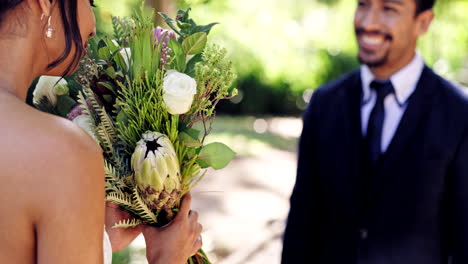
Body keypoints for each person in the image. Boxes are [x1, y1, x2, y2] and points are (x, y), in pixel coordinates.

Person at [0, 0, 202, 263]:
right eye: (90, 2)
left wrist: (99, 238)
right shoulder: (60, 153)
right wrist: (167, 257)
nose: (93, 27)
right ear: (44, 3)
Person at [282, 0, 468, 263]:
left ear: (423, 22)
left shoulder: (460, 115)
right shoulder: (323, 104)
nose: (368, 22)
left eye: (389, 9)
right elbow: (302, 219)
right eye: (363, 4)